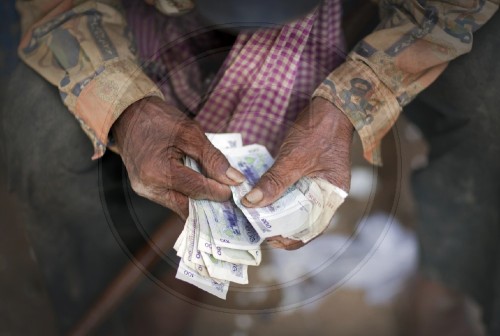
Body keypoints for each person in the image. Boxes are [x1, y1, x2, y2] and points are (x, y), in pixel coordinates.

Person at [1, 0, 499, 334]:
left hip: (355, 11)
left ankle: (447, 274)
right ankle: (157, 273)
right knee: (37, 133)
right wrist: (125, 107)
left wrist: (353, 99)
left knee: (490, 91)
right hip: (139, 18)